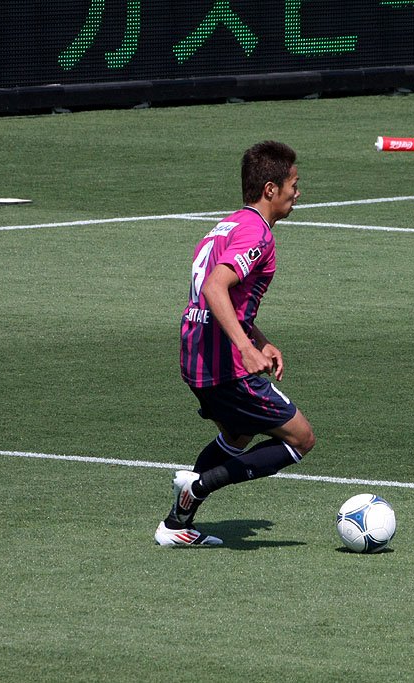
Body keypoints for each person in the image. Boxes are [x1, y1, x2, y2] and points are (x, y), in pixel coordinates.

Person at [155, 141, 316, 546]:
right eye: (294, 185)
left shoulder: (226, 226)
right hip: (226, 365)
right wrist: (245, 348)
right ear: (270, 189)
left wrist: (260, 340)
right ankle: (197, 487)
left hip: (196, 357)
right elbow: (214, 287)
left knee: (238, 435)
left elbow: (227, 298)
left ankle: (176, 525)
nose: (298, 193)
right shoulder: (257, 234)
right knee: (300, 439)